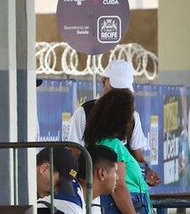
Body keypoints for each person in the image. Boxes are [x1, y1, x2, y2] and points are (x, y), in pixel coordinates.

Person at [67, 59, 160, 187]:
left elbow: (138, 158)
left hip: (125, 190)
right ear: (103, 81)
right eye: (116, 89)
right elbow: (75, 153)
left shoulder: (132, 117)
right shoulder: (83, 113)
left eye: (123, 91)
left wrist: (146, 172)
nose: (118, 95)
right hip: (94, 190)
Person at [83, 89, 152, 214]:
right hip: (118, 213)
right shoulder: (113, 145)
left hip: (117, 210)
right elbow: (119, 187)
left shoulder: (103, 142)